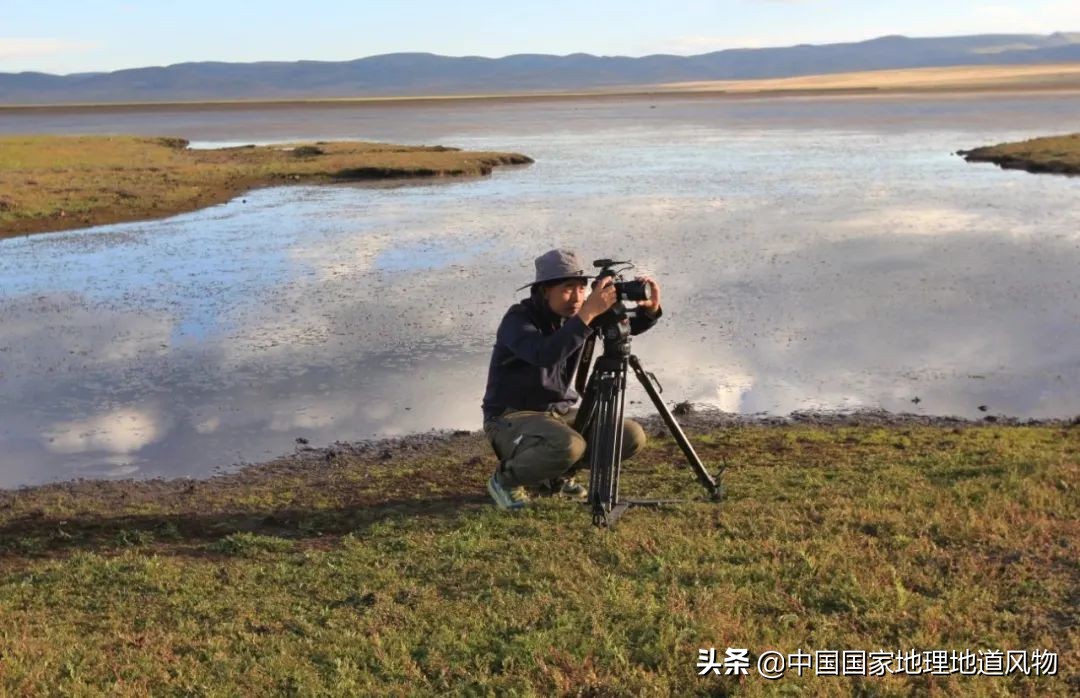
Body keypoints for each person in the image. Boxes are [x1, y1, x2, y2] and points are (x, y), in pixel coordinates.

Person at [481, 249, 663, 509]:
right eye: (568, 289)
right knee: (569, 444)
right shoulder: (518, 319)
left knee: (630, 434)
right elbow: (544, 354)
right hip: (510, 418)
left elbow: (621, 328)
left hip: (557, 414)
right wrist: (587, 315)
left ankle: (557, 477)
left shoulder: (576, 317)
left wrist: (649, 311)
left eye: (581, 288)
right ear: (545, 290)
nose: (577, 297)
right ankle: (505, 481)